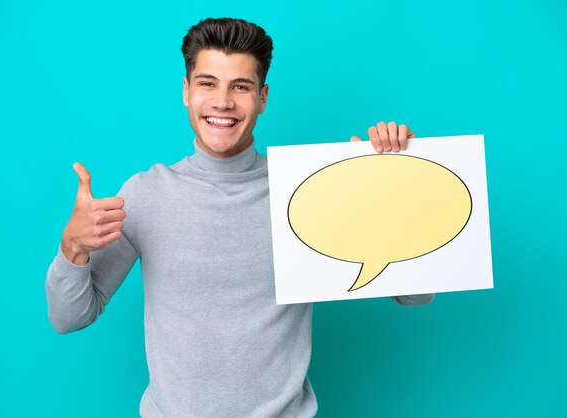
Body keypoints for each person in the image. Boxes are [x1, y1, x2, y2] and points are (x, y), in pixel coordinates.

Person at [46, 17, 434, 418]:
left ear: (263, 98)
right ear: (186, 91)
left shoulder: (305, 191)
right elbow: (68, 317)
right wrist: (72, 247)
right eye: (207, 83)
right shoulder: (146, 194)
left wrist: (394, 187)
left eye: (241, 87)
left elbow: (415, 294)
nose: (223, 102)